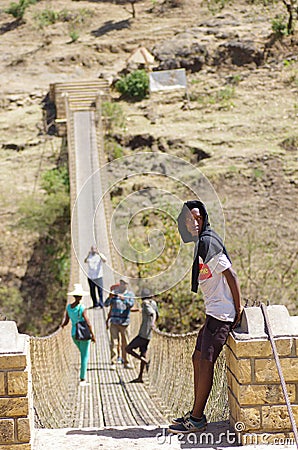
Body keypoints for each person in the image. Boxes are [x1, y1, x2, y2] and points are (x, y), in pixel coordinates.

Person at [168, 200, 242, 434]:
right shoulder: (203, 243)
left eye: (198, 218)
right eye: (190, 219)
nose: (194, 223)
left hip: (222, 315)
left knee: (205, 362)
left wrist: (237, 310)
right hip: (213, 314)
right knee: (197, 357)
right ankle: (195, 413)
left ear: (204, 219)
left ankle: (197, 419)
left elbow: (230, 274)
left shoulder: (209, 242)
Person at [61, 283, 96, 386]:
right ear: (80, 296)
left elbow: (66, 321)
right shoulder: (82, 307)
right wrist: (92, 334)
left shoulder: (68, 307)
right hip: (84, 334)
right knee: (84, 356)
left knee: (82, 354)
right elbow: (88, 322)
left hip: (74, 334)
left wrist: (61, 326)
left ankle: (82, 376)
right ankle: (82, 379)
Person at [126, 287, 158, 383]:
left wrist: (152, 323)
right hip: (149, 334)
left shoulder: (145, 303)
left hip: (143, 333)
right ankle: (140, 377)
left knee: (128, 348)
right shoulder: (154, 303)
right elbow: (156, 313)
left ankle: (145, 361)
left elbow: (152, 313)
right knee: (143, 352)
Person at [104, 277, 134, 369]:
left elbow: (131, 305)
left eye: (124, 283)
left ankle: (126, 361)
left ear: (127, 285)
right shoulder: (115, 293)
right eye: (121, 283)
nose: (122, 284)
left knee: (126, 343)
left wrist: (124, 299)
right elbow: (106, 304)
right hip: (114, 322)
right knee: (114, 342)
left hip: (125, 322)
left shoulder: (130, 294)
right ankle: (113, 362)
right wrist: (109, 297)